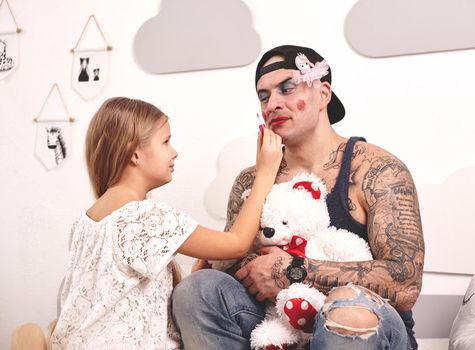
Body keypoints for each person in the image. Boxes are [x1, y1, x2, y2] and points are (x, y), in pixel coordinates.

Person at [173, 45, 425, 350]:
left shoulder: (376, 170)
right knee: (198, 289)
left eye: (286, 88)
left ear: (323, 93)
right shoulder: (251, 180)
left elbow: (406, 282)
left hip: (366, 332)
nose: (272, 104)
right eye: (264, 96)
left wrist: (292, 270)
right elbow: (230, 264)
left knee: (348, 308)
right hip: (277, 327)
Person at [50, 97, 283, 349]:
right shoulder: (147, 216)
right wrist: (265, 173)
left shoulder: (86, 222)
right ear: (135, 153)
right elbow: (236, 244)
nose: (174, 152)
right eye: (166, 142)